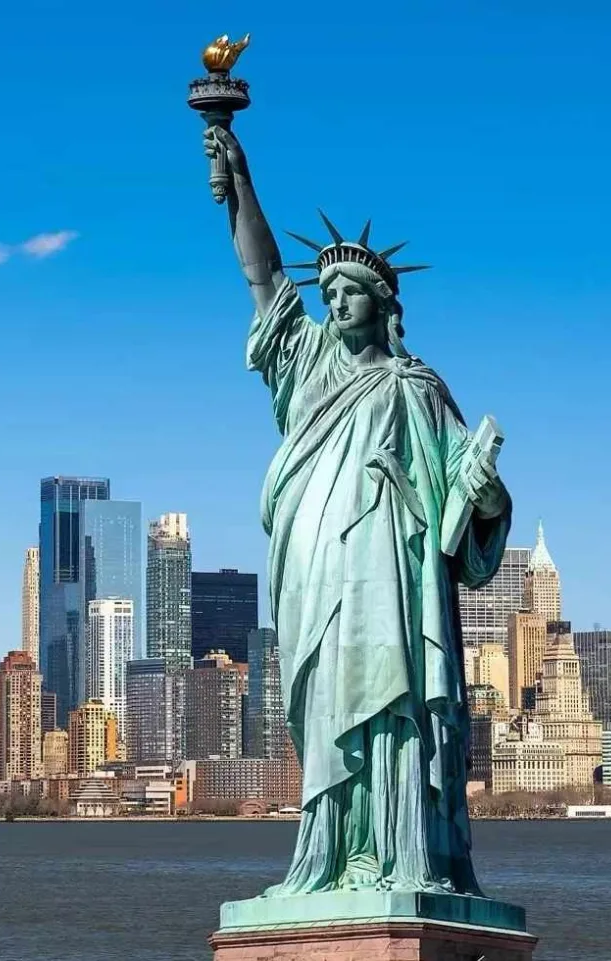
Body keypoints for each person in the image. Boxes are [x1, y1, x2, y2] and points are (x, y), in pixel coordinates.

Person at [203, 124, 511, 896]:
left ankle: (398, 854)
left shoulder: (417, 388)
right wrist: (239, 181)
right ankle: (330, 856)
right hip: (314, 569)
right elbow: (264, 277)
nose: (335, 302)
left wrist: (487, 494)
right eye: (329, 292)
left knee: (392, 701)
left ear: (382, 305)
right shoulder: (305, 363)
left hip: (391, 577)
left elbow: (464, 510)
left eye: (350, 293)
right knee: (328, 702)